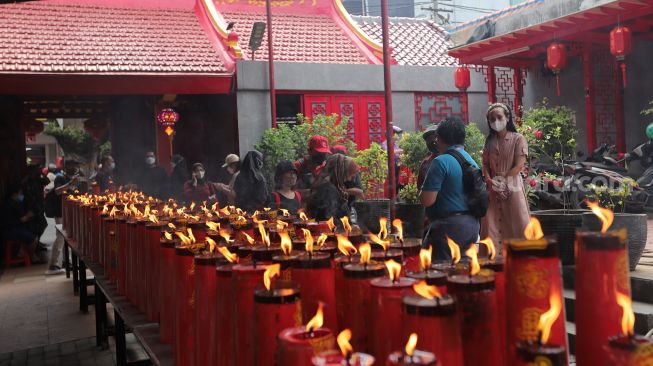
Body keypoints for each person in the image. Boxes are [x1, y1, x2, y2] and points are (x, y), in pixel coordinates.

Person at [419, 117, 480, 260]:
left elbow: (427, 200)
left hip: (448, 227)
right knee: (463, 271)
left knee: (440, 273)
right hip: (472, 225)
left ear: (438, 138)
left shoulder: (440, 161)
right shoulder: (470, 160)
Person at [481, 103, 530, 247]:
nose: (496, 121)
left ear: (507, 117)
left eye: (499, 117)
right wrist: (490, 181)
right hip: (492, 187)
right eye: (492, 119)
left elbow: (518, 166)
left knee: (517, 223)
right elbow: (484, 164)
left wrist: (503, 183)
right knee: (491, 226)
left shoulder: (518, 138)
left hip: (512, 185)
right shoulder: (489, 141)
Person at [45, 159, 81, 274]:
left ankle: (67, 261)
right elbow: (57, 191)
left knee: (68, 236)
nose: (75, 168)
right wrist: (70, 184)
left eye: (76, 166)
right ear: (67, 167)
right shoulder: (60, 177)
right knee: (60, 236)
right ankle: (54, 263)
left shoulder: (72, 179)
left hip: (68, 211)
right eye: (73, 165)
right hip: (60, 211)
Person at [307, 154, 360, 222]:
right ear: (341, 170)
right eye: (350, 174)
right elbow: (328, 219)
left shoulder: (335, 186)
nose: (352, 179)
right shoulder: (327, 190)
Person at [1, 184, 43, 264]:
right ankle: (29, 256)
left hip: (5, 230)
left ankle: (22, 253)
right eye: (20, 193)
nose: (21, 195)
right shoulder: (15, 204)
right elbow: (23, 219)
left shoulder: (5, 203)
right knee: (34, 239)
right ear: (15, 193)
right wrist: (29, 215)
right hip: (12, 231)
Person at [22, 165, 49, 250]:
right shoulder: (28, 180)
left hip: (39, 205)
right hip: (32, 206)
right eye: (37, 170)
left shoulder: (38, 179)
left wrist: (41, 173)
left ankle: (37, 242)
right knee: (35, 226)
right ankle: (34, 244)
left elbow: (47, 181)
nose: (38, 171)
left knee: (43, 224)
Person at [417, 124, 440, 188]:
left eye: (435, 137)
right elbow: (420, 186)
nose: (433, 141)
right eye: (429, 139)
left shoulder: (451, 158)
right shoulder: (425, 162)